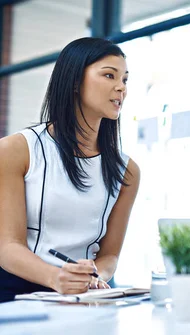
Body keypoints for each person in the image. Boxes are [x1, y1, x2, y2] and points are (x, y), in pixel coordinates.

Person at [0, 37, 140, 302]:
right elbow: (7, 246)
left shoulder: (128, 171)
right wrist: (55, 278)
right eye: (109, 76)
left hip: (81, 298)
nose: (120, 88)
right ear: (75, 81)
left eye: (124, 80)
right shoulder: (16, 150)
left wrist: (94, 273)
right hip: (14, 295)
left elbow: (110, 255)